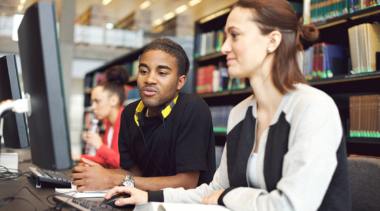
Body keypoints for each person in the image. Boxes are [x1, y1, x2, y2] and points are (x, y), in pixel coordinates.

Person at [103, 0, 351, 210]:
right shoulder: (241, 113)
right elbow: (214, 189)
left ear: (272, 41)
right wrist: (150, 197)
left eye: (235, 35)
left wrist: (229, 197)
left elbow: (292, 205)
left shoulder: (313, 108)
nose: (224, 47)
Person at [71, 38, 216, 192]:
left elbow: (187, 183)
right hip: (143, 203)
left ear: (180, 82)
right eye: (143, 71)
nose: (149, 79)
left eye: (161, 73)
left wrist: (111, 179)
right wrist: (93, 174)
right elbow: (134, 174)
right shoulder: (129, 114)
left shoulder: (192, 107)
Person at [72, 66, 129, 169]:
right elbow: (107, 161)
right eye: (92, 102)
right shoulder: (109, 123)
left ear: (114, 100)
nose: (93, 107)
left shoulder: (126, 123)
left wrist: (99, 146)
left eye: (97, 101)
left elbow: (123, 164)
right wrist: (78, 157)